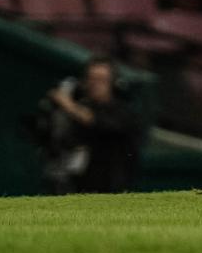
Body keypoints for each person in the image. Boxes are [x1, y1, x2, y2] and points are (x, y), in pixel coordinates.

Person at [39, 58, 143, 191]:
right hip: (74, 183)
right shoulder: (83, 105)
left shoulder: (122, 111)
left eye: (101, 80)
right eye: (91, 79)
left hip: (109, 186)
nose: (95, 84)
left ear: (113, 82)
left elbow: (98, 122)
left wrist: (67, 104)